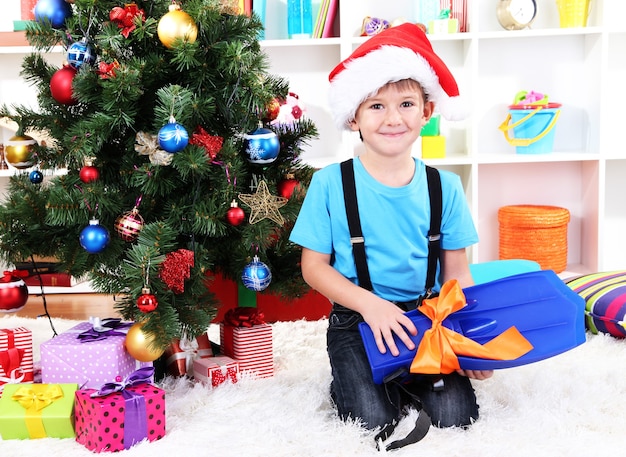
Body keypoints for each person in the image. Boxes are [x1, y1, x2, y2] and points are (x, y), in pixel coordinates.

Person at [288, 23, 493, 444]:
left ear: (427, 112)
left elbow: (457, 272)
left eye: (405, 103)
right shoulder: (330, 184)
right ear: (354, 117)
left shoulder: (446, 187)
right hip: (356, 318)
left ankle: (406, 379)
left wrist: (469, 339)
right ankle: (361, 380)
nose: (393, 118)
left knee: (457, 418)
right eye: (376, 106)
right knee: (369, 422)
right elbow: (313, 268)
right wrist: (371, 306)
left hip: (428, 317)